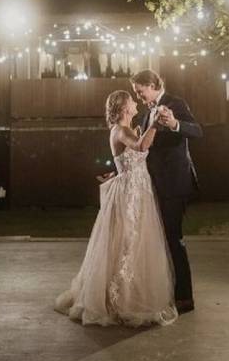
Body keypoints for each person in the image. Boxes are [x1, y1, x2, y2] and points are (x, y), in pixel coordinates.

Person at [54, 90, 178, 326]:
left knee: (137, 243)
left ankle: (131, 294)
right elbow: (141, 147)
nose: (135, 103)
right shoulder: (120, 130)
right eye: (131, 101)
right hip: (129, 194)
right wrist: (154, 124)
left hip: (139, 191)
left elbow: (130, 156)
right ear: (123, 108)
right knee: (126, 242)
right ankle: (117, 299)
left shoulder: (126, 129)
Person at [131, 69, 202, 314]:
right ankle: (164, 292)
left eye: (140, 92)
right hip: (153, 185)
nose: (139, 97)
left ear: (151, 85)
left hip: (174, 183)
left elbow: (196, 131)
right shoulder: (144, 115)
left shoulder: (176, 103)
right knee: (158, 240)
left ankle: (185, 298)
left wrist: (173, 123)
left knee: (174, 238)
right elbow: (143, 148)